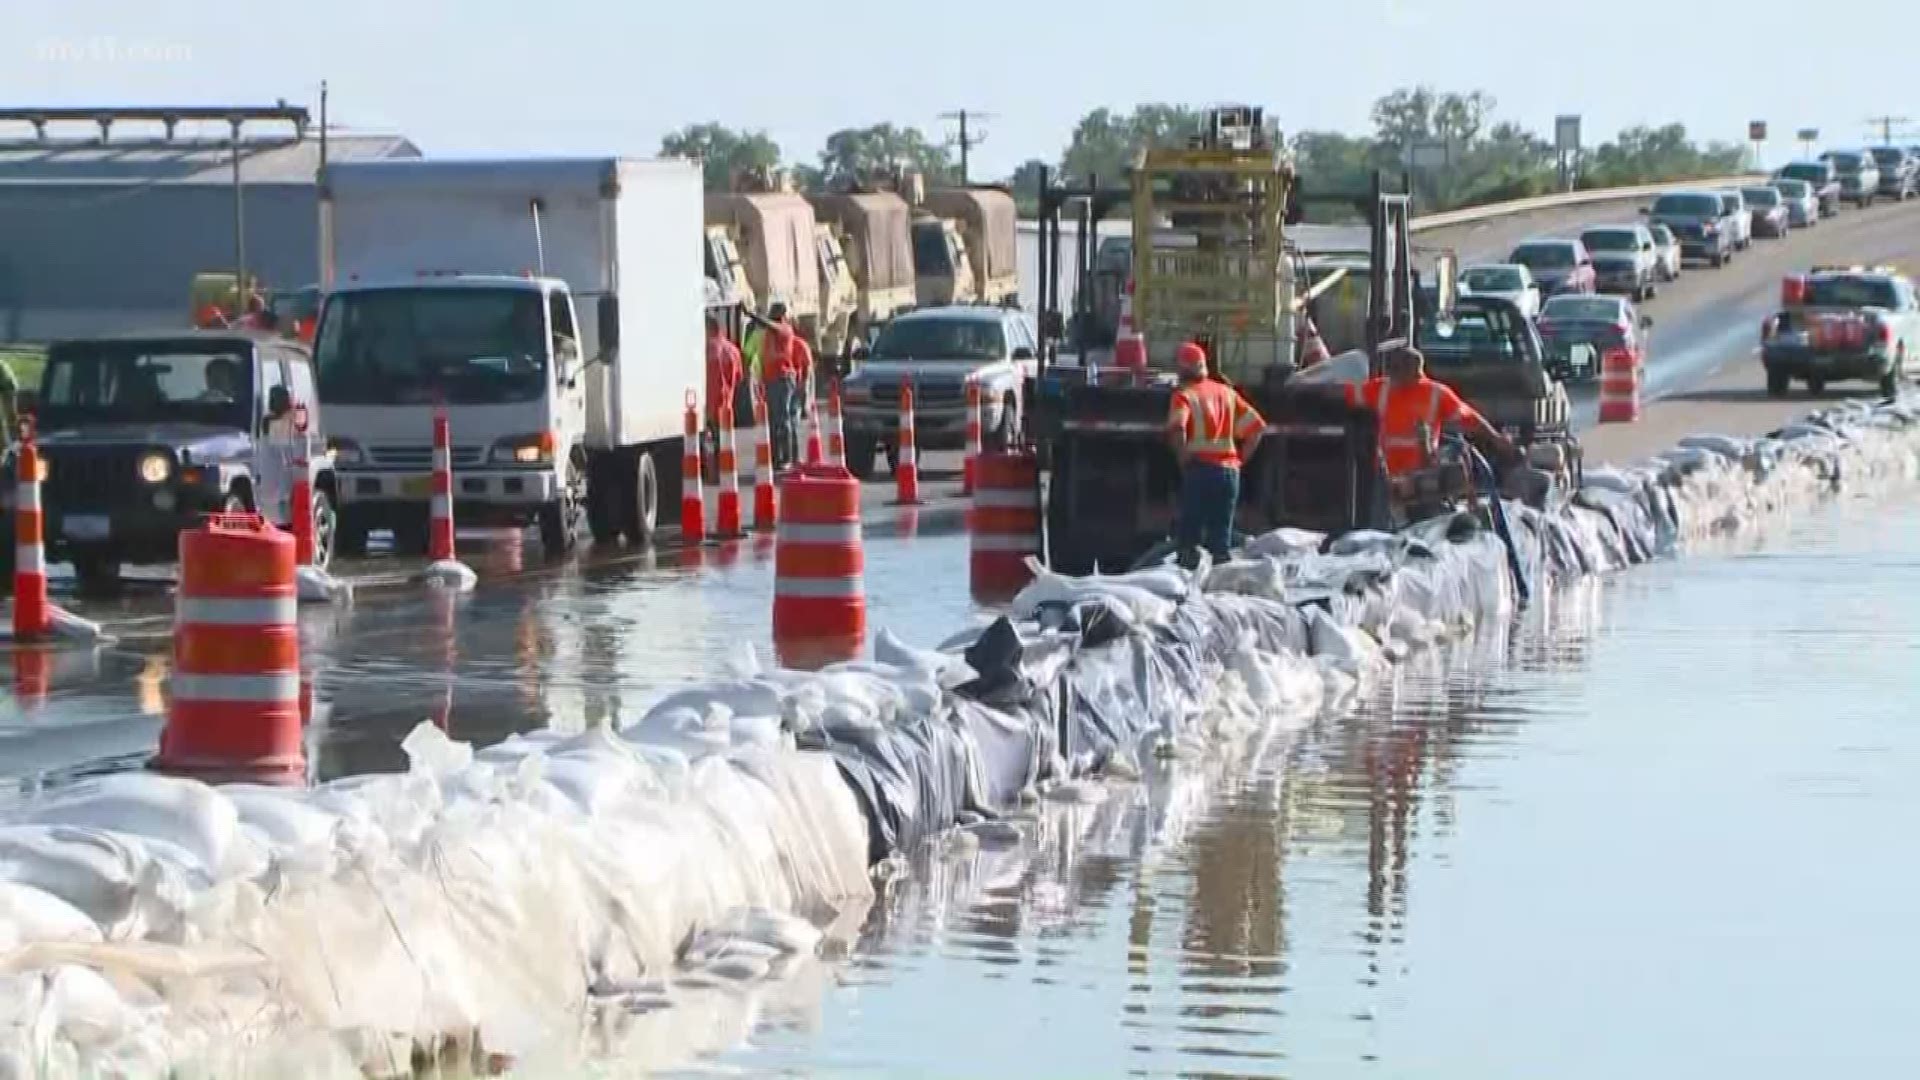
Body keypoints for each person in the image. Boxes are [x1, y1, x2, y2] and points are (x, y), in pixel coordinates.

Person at [1343, 346, 1516, 479]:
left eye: (1397, 368)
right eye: (1392, 368)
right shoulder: (1379, 388)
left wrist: (1495, 438)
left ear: (1414, 370)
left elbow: (1470, 419)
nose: (1392, 373)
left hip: (1421, 473)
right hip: (1384, 473)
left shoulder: (1436, 393)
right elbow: (1345, 393)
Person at [1166, 340, 1264, 562]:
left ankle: (1190, 577)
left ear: (1181, 368)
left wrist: (1183, 457)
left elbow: (1178, 427)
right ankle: (1220, 576)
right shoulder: (1226, 393)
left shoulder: (1184, 395)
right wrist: (1240, 461)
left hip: (1200, 470)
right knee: (1220, 541)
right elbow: (1257, 428)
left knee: (1189, 541)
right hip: (1229, 474)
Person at [762, 323, 801, 468]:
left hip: (781, 377)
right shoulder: (770, 332)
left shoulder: (784, 328)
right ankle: (776, 457)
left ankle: (787, 457)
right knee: (774, 420)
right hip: (772, 378)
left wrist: (751, 315)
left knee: (783, 419)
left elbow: (769, 324)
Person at [705, 314, 743, 431]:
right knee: (725, 437)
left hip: (709, 407)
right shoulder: (733, 350)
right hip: (727, 404)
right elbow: (739, 378)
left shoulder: (705, 349)